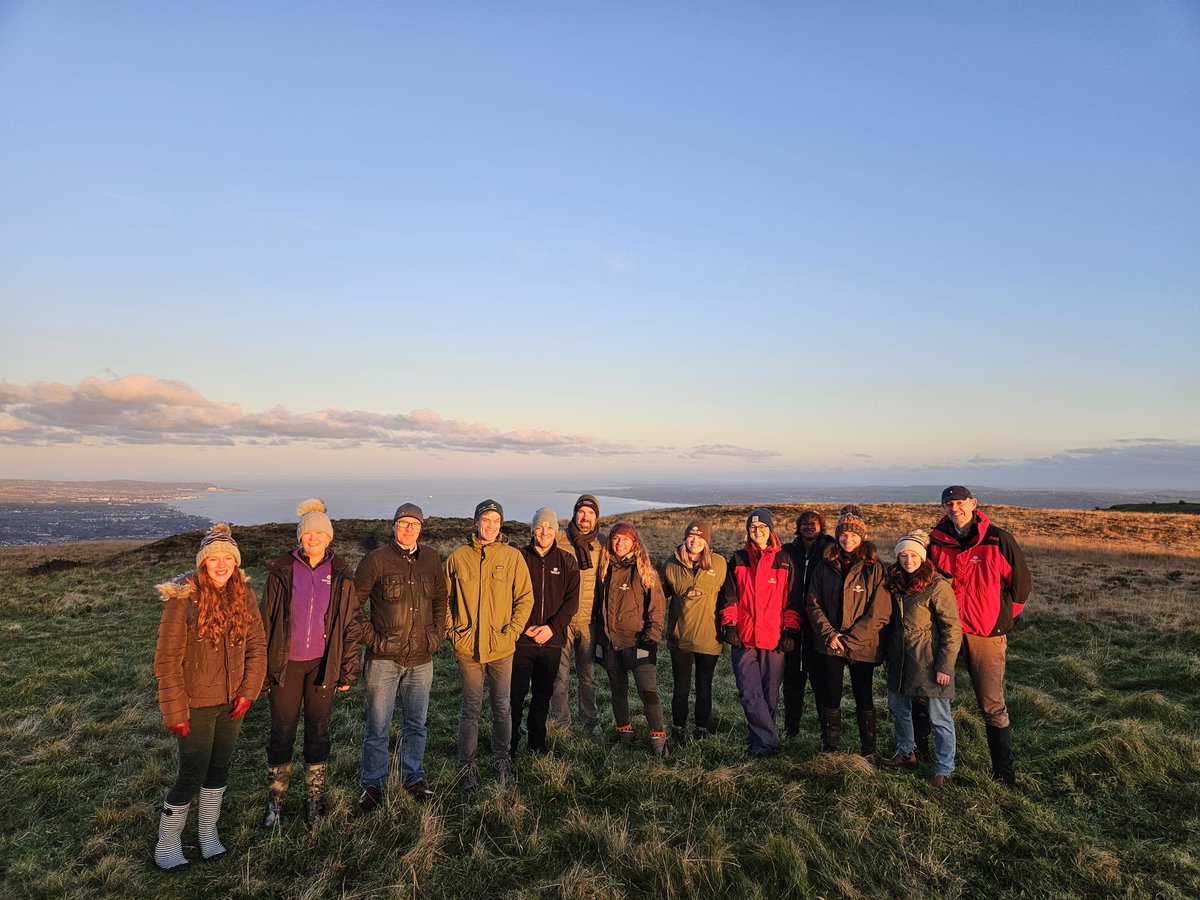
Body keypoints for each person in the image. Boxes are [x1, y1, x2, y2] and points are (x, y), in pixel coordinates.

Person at [152, 523, 266, 873]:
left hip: (232, 701)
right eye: (213, 558)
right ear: (203, 562)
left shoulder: (243, 594)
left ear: (236, 562)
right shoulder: (183, 598)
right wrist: (176, 712)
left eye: (227, 558)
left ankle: (207, 833)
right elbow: (167, 660)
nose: (221, 565)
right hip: (195, 702)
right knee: (192, 772)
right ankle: (167, 843)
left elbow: (257, 646)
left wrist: (248, 691)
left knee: (219, 768)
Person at [260, 499, 366, 828]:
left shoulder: (342, 574)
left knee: (318, 732)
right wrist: (261, 670)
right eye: (309, 533)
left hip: (323, 665)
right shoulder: (281, 570)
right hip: (286, 665)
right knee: (282, 733)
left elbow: (351, 625)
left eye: (320, 532)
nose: (314, 537)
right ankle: (276, 803)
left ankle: (314, 801)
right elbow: (266, 621)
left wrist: (349, 668)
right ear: (300, 536)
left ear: (329, 537)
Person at [928, 486, 1031, 787]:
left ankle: (1003, 773)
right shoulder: (936, 540)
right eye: (949, 504)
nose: (955, 508)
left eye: (960, 502)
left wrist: (998, 619)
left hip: (985, 634)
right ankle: (926, 757)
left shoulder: (998, 539)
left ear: (973, 503)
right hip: (946, 631)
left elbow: (1021, 586)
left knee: (991, 704)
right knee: (931, 694)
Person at [354, 502, 448, 812]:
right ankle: (373, 784)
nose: (409, 528)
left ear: (422, 528)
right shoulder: (375, 561)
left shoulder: (432, 560)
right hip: (383, 659)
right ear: (394, 526)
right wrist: (374, 640)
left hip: (422, 658)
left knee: (416, 724)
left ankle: (413, 778)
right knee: (378, 726)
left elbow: (440, 599)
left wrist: (435, 636)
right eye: (403, 523)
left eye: (414, 524)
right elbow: (353, 608)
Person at [445, 499, 533, 790]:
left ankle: (500, 759)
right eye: (486, 520)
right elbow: (443, 600)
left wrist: (512, 633)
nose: (491, 526)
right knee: (470, 708)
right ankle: (466, 766)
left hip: (501, 648)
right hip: (468, 648)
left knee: (501, 706)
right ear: (476, 522)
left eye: (496, 521)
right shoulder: (458, 558)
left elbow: (525, 599)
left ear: (501, 524)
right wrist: (453, 631)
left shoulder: (512, 557)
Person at [805, 505, 890, 761]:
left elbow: (880, 611)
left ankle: (868, 751)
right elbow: (813, 602)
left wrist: (851, 640)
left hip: (862, 645)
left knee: (863, 694)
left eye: (853, 535)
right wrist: (830, 634)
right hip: (830, 643)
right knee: (831, 695)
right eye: (843, 534)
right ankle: (831, 748)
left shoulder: (874, 567)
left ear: (861, 537)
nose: (847, 539)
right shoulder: (825, 564)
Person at [881, 530, 962, 787]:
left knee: (940, 717)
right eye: (903, 555)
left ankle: (945, 768)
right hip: (900, 660)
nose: (908, 560)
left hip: (928, 662)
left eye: (913, 555)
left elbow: (952, 629)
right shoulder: (894, 584)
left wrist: (945, 666)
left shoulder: (937, 586)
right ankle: (906, 753)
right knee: (898, 709)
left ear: (922, 556)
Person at [718, 508, 798, 758]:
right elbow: (729, 596)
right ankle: (771, 740)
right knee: (749, 693)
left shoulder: (784, 560)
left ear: (770, 530)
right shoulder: (739, 558)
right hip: (744, 637)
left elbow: (792, 600)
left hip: (774, 638)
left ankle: (759, 742)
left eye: (762, 527)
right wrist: (730, 625)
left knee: (770, 695)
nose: (757, 532)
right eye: (753, 528)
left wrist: (790, 630)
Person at [593, 522, 668, 755]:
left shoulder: (645, 570)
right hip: (609, 641)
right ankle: (625, 734)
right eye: (615, 538)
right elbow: (598, 607)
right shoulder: (604, 569)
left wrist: (651, 637)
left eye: (625, 539)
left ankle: (658, 738)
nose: (619, 543)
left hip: (639, 641)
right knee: (618, 691)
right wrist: (598, 640)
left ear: (634, 542)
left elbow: (658, 607)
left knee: (648, 690)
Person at [512, 507, 580, 758]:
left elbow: (571, 601)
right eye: (539, 527)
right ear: (532, 530)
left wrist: (551, 629)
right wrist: (524, 626)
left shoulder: (567, 561)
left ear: (556, 532)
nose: (544, 532)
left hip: (552, 642)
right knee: (515, 695)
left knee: (542, 694)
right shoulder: (518, 557)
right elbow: (509, 596)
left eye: (549, 527)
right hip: (522, 640)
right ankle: (510, 744)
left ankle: (537, 744)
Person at [661, 517, 727, 744]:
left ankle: (701, 730)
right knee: (680, 688)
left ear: (706, 541)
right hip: (681, 639)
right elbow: (659, 595)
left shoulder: (719, 564)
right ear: (685, 538)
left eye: (700, 537)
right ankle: (678, 731)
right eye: (691, 536)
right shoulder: (671, 564)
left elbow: (728, 598)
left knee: (704, 687)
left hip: (710, 638)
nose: (694, 541)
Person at [780, 509, 837, 740]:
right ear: (798, 527)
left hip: (819, 626)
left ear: (821, 527)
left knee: (821, 683)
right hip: (792, 624)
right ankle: (791, 728)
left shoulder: (829, 551)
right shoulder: (787, 551)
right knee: (792, 682)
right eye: (804, 523)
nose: (808, 527)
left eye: (813, 523)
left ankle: (827, 732)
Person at [551, 494, 604, 734]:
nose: (585, 517)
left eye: (590, 513)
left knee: (588, 676)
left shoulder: (602, 544)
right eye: (582, 512)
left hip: (589, 622)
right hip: (561, 620)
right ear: (574, 513)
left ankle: (590, 720)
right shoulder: (559, 539)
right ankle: (560, 722)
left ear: (596, 518)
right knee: (559, 677)